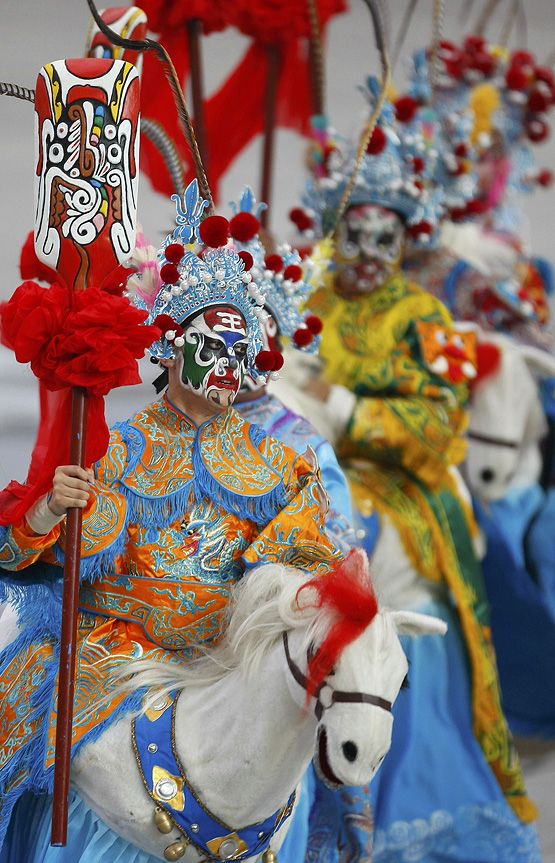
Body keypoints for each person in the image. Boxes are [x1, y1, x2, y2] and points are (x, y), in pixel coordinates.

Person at [0, 180, 340, 860]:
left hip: (222, 660)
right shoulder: (109, 450)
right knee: (31, 700)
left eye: (239, 351)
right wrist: (47, 509)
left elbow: (302, 563)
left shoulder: (279, 465)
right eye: (210, 345)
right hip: (117, 658)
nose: (225, 366)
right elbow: (20, 556)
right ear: (169, 347)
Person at [285, 80, 540, 861]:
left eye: (381, 236)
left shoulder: (424, 320)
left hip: (400, 487)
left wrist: (348, 408)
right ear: (334, 229)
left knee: (395, 572)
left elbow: (438, 428)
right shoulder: (304, 299)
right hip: (308, 474)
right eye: (351, 234)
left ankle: (402, 793)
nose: (364, 252)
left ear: (404, 238)